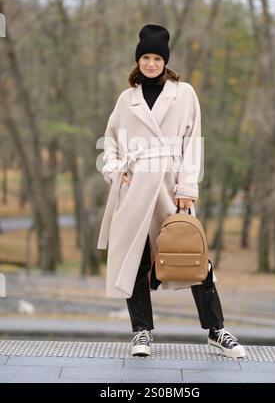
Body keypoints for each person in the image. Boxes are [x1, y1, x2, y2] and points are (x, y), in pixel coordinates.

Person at [97, 24, 246, 360]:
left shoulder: (184, 93)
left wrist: (187, 188)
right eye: (146, 57)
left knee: (191, 255)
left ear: (165, 61)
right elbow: (110, 143)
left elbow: (193, 143)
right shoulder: (127, 99)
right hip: (135, 190)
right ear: (138, 61)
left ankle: (216, 329)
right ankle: (141, 333)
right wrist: (116, 174)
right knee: (133, 260)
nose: (151, 63)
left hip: (170, 185)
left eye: (157, 57)